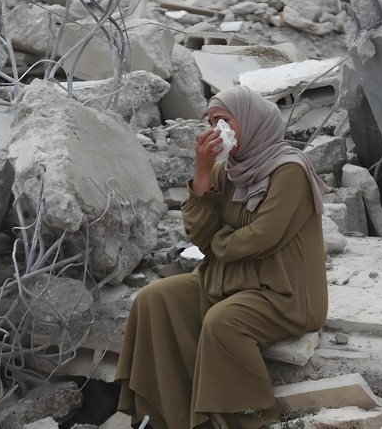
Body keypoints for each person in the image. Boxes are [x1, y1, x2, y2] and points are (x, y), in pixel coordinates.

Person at [115, 85, 329, 429]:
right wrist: (202, 173)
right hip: (227, 282)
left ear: (250, 120)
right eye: (211, 121)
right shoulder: (225, 171)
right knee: (153, 299)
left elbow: (261, 238)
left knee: (223, 322)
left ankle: (249, 419)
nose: (218, 130)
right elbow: (199, 237)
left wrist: (217, 243)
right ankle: (168, 417)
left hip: (283, 294)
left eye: (225, 120)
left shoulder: (290, 170)